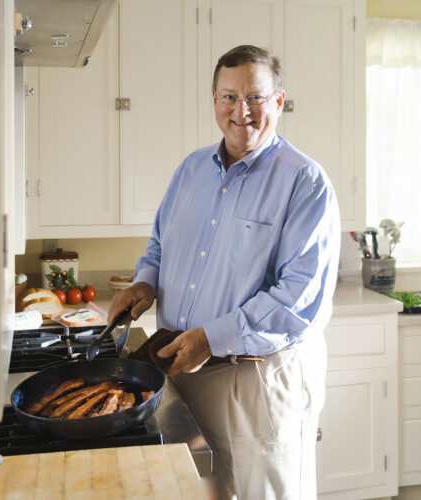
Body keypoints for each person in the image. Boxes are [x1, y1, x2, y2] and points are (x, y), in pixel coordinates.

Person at [108, 44, 340, 499]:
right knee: (203, 493)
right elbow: (160, 243)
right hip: (181, 368)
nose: (242, 111)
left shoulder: (305, 182)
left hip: (256, 381)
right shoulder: (191, 170)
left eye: (255, 97)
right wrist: (145, 281)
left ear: (278, 101)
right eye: (229, 97)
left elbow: (296, 301)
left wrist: (210, 338)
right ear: (214, 100)